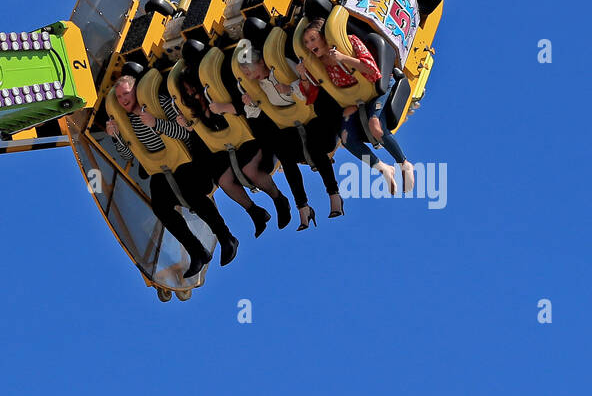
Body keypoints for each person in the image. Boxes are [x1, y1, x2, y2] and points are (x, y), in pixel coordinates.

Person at [105, 75, 239, 276]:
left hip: (187, 159)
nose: (123, 99)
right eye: (119, 97)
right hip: (161, 167)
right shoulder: (128, 122)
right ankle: (197, 251)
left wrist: (156, 123)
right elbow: (128, 155)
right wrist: (116, 137)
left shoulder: (158, 103)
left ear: (136, 91)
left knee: (190, 191)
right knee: (160, 206)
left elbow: (185, 132)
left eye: (126, 93)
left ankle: (225, 237)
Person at [232, 38, 341, 229]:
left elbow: (310, 87)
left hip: (313, 116)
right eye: (244, 72)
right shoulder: (258, 86)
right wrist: (250, 103)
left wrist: (290, 88)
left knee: (314, 146)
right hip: (290, 126)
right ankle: (303, 207)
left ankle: (334, 195)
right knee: (285, 155)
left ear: (261, 62)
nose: (247, 74)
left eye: (248, 68)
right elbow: (255, 113)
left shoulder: (283, 67)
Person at [298, 18, 414, 197]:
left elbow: (373, 71)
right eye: (306, 42)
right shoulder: (318, 64)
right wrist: (303, 76)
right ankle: (383, 168)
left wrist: (343, 58)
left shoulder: (350, 42)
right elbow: (311, 94)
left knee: (375, 126)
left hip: (376, 88)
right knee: (346, 139)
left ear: (324, 36)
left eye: (313, 39)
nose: (309, 45)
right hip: (354, 99)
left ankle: (404, 163)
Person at [171, 67, 287, 236]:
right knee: (224, 181)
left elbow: (246, 107)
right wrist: (188, 127)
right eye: (187, 91)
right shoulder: (194, 111)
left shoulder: (219, 94)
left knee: (250, 170)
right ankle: (255, 212)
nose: (191, 93)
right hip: (224, 148)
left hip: (249, 139)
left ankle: (279, 199)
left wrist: (224, 107)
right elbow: (201, 137)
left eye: (192, 88)